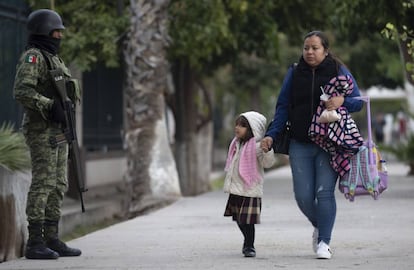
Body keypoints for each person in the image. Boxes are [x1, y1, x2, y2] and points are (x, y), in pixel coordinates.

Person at [261, 31, 364, 259]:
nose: (309, 52)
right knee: (303, 196)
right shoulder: (295, 72)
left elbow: (358, 102)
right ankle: (321, 224)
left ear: (325, 50)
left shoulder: (338, 70)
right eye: (306, 47)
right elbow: (282, 106)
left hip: (330, 143)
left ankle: (324, 242)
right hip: (300, 142)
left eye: (314, 48)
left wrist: (342, 101)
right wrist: (271, 135)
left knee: (324, 193)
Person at [13, 9, 81, 259]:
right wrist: (49, 106)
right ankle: (35, 241)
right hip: (40, 131)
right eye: (56, 31)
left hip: (59, 131)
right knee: (43, 183)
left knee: (59, 183)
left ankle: (52, 237)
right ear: (44, 31)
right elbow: (22, 91)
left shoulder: (55, 59)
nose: (59, 36)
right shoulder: (34, 58)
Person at [223, 111, 276, 257]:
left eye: (243, 125)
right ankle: (247, 241)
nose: (237, 128)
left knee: (248, 221)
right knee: (239, 219)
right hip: (236, 189)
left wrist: (267, 151)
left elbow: (268, 163)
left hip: (250, 189)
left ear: (253, 129)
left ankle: (249, 246)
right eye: (237, 124)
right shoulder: (236, 144)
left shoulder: (258, 146)